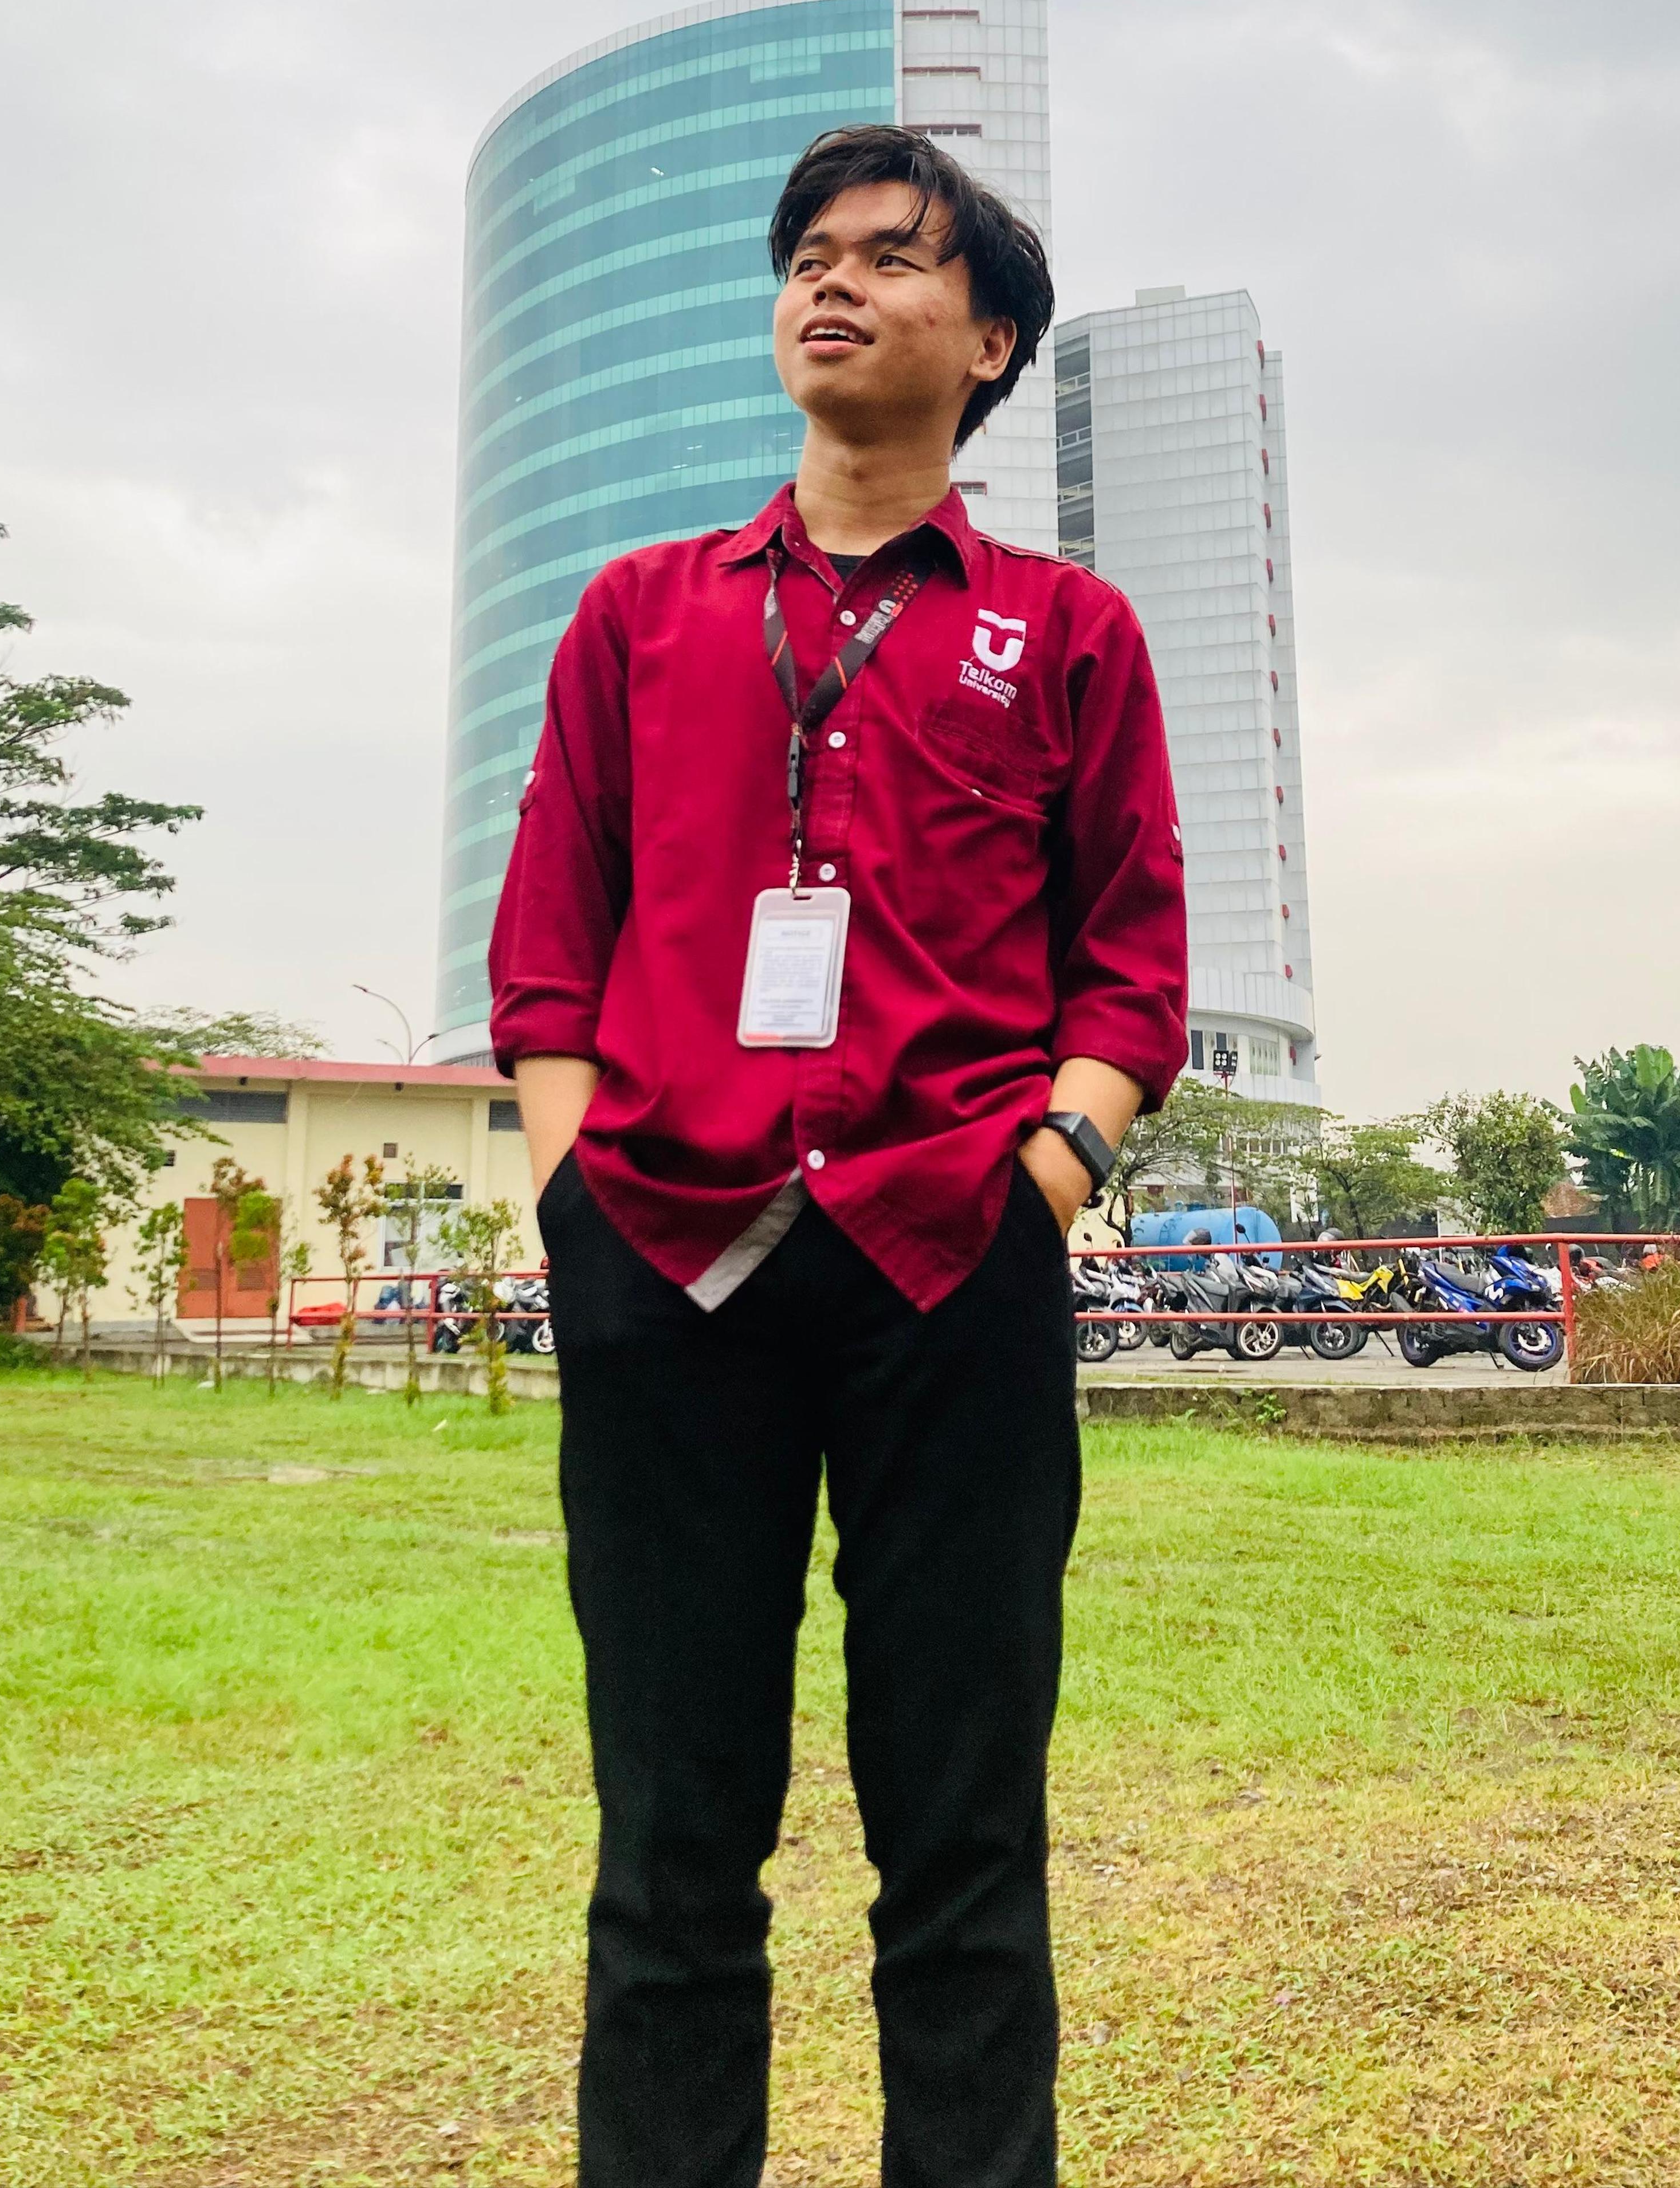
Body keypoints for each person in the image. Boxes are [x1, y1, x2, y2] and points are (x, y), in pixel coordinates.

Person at [489, 123, 1189, 2188]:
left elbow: (1129, 969)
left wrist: (1051, 1166)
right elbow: (549, 958)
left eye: (894, 257)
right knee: (673, 1840)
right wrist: (576, 1207)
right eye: (808, 253)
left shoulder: (1066, 632)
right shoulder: (639, 615)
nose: (833, 282)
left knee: (964, 1834)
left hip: (948, 1259)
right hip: (668, 1259)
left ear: (987, 343)